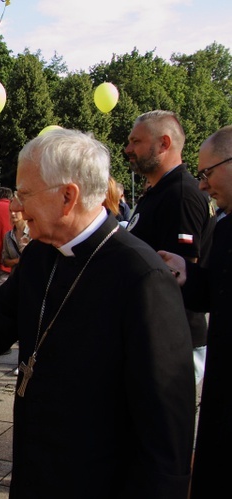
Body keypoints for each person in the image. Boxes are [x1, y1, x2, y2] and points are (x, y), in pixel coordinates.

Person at [0, 129, 195, 497]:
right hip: (38, 465)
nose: (16, 208)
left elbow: (166, 424)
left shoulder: (142, 276)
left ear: (67, 196)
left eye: (25, 194)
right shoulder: (43, 253)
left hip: (101, 479)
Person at [158, 125, 232, 498]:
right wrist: (190, 277)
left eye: (208, 173)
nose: (202, 185)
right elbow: (215, 292)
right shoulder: (224, 224)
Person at [125, 110, 216, 387]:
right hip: (155, 338)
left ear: (164, 144)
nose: (128, 149)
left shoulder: (181, 195)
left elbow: (174, 274)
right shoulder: (157, 192)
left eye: (136, 141)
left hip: (173, 342)